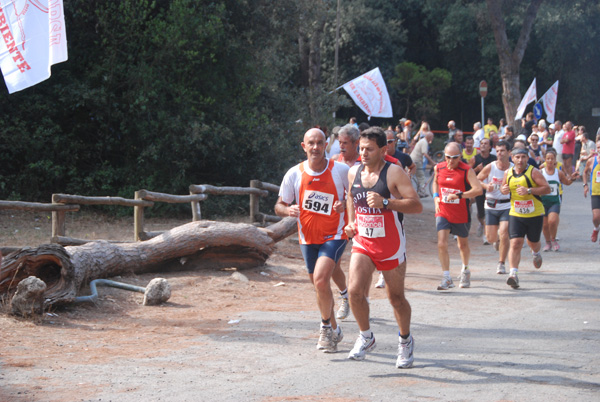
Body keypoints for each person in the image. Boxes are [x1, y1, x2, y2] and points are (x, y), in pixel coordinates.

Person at [344, 126, 422, 368]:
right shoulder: (353, 171)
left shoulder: (395, 173)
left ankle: (405, 340)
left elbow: (416, 205)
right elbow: (350, 197)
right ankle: (366, 336)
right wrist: (351, 221)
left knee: (396, 298)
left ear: (383, 149)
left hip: (391, 245)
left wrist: (386, 202)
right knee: (354, 291)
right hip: (363, 242)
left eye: (369, 149)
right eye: (361, 149)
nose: (363, 153)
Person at [275, 128, 350, 353]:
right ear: (304, 146)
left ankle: (325, 327)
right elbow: (279, 205)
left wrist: (345, 204)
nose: (315, 147)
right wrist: (288, 211)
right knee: (320, 287)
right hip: (307, 238)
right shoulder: (294, 173)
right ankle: (335, 329)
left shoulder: (341, 170)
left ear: (326, 144)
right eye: (311, 143)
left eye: (320, 143)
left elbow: (358, 196)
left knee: (320, 280)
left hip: (336, 234)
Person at [433, 142, 483, 290]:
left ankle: (465, 269)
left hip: (461, 213)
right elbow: (436, 182)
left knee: (462, 245)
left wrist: (460, 195)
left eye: (454, 158)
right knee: (442, 243)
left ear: (460, 156)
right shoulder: (439, 167)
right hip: (443, 211)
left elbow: (478, 190)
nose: (450, 161)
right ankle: (447, 277)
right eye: (448, 157)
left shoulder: (466, 170)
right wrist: (436, 197)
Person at [500, 147, 550, 289]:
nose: (520, 160)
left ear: (527, 158)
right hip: (516, 213)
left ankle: (535, 252)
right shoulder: (508, 173)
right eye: (517, 157)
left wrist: (529, 190)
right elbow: (504, 188)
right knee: (515, 243)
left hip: (534, 214)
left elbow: (547, 189)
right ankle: (513, 274)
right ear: (512, 158)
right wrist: (503, 189)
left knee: (533, 242)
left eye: (523, 157)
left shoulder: (534, 172)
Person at [477, 140, 513, 274]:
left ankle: (501, 263)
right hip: (491, 205)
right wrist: (487, 186)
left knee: (504, 233)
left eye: (502, 150)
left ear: (509, 152)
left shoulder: (513, 168)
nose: (499, 153)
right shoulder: (490, 167)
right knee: (491, 238)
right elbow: (478, 179)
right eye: (497, 151)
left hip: (507, 205)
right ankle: (496, 239)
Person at [540, 148, 578, 252]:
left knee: (552, 221)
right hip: (543, 202)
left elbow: (566, 182)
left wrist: (573, 179)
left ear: (555, 160)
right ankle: (547, 242)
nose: (550, 161)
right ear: (545, 159)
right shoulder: (540, 172)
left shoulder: (558, 172)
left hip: (554, 201)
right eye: (548, 158)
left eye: (552, 159)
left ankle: (553, 239)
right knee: (544, 224)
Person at [471, 138, 497, 243]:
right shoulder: (475, 159)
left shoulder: (494, 159)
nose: (483, 145)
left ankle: (486, 235)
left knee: (490, 211)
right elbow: (466, 173)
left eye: (486, 144)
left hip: (491, 188)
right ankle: (481, 223)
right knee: (480, 213)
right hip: (479, 188)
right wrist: (477, 169)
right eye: (481, 143)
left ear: (490, 147)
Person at [583, 137, 600, 243]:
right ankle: (596, 229)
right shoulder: (591, 161)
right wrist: (585, 185)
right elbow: (584, 172)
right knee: (596, 217)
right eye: (598, 147)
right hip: (595, 193)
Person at [410, 131, 435, 198]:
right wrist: (432, 162)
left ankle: (418, 191)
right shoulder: (424, 142)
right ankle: (421, 192)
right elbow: (425, 154)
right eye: (432, 137)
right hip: (416, 161)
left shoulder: (423, 141)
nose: (432, 139)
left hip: (413, 159)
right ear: (429, 137)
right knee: (421, 176)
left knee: (410, 175)